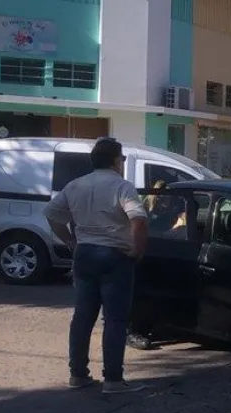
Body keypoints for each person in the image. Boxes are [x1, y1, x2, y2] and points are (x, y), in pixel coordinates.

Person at [44, 137, 149, 394]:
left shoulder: (75, 185)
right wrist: (137, 250)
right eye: (122, 158)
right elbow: (139, 220)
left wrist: (70, 241)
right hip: (115, 256)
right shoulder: (122, 186)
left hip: (84, 254)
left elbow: (51, 214)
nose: (122, 163)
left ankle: (78, 374)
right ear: (115, 160)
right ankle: (113, 379)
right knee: (114, 319)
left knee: (82, 317)